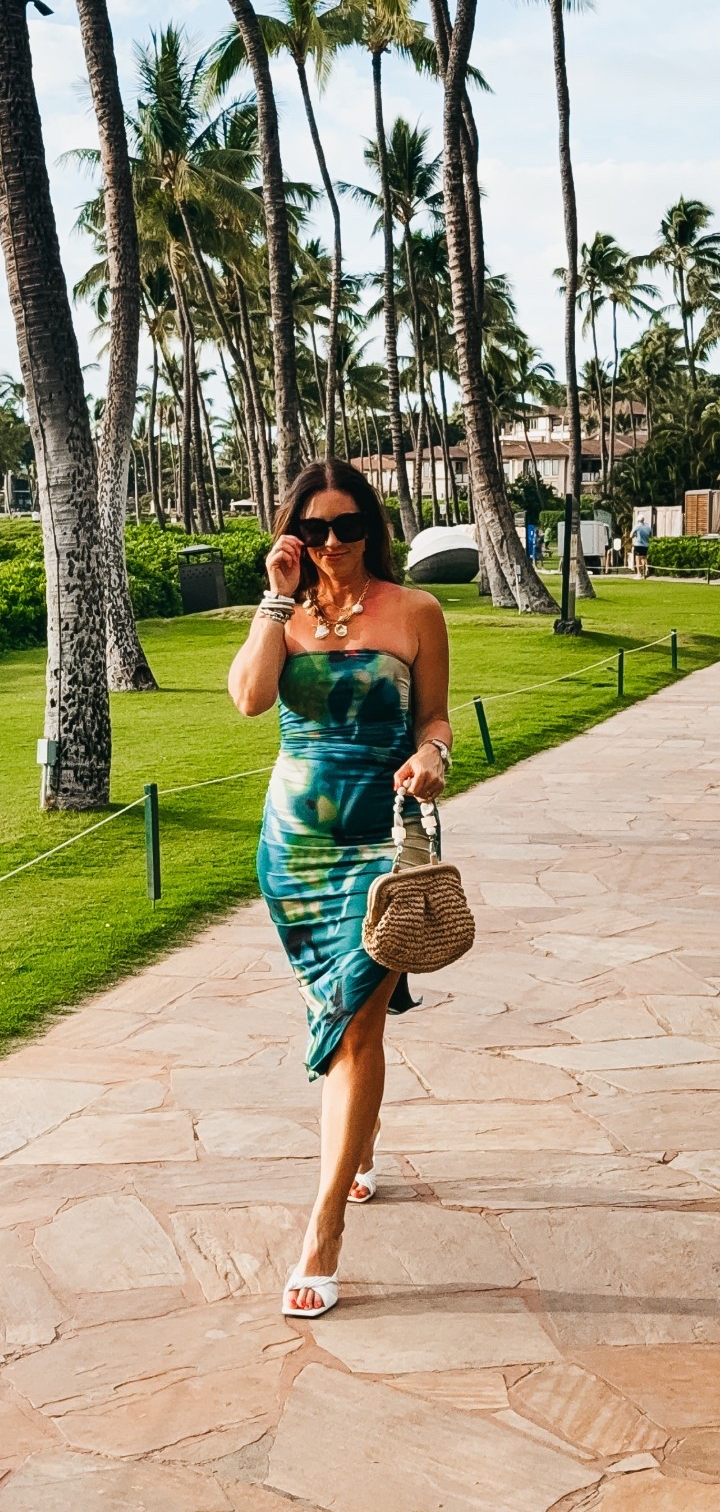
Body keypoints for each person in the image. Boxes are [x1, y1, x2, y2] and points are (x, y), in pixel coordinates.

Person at [228, 459, 452, 1318]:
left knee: (357, 1024)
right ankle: (362, 1135)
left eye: (347, 526)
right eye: (314, 529)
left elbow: (433, 716)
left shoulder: (416, 611)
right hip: (295, 847)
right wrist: (274, 598)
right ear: (294, 535)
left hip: (382, 842)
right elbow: (250, 700)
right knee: (347, 1019)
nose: (332, 543)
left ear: (371, 529)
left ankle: (323, 1232)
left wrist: (433, 754)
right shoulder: (283, 615)